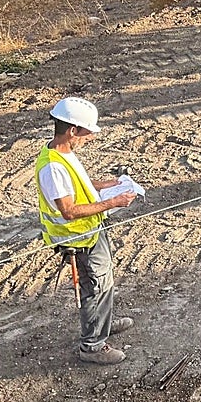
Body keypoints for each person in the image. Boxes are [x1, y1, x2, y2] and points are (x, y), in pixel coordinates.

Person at [35, 97, 136, 365]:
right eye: (87, 132)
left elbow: (79, 182)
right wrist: (113, 202)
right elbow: (68, 210)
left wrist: (106, 185)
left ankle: (103, 322)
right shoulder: (53, 167)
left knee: (104, 281)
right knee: (96, 285)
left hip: (91, 230)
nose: (90, 137)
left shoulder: (64, 154)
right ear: (72, 131)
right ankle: (92, 345)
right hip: (79, 238)